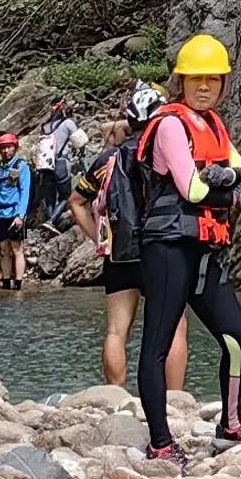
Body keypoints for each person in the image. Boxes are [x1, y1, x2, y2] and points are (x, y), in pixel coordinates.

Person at [130, 35, 241, 460]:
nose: (203, 87)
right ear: (181, 82)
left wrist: (228, 181)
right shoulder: (171, 123)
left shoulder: (216, 126)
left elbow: (240, 169)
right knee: (158, 344)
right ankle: (160, 443)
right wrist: (229, 192)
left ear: (223, 84)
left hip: (205, 250)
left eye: (212, 79)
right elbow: (190, 188)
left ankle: (231, 422)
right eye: (195, 79)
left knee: (239, 337)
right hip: (168, 246)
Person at [86, 97, 178, 395]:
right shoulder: (167, 153)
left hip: (119, 252)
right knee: (174, 327)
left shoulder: (106, 159)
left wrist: (99, 238)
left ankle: (115, 395)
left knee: (116, 329)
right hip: (160, 247)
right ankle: (176, 399)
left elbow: (75, 201)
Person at [0, 135, 34, 290]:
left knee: (17, 249)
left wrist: (21, 215)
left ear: (15, 148)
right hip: (0, 213)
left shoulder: (21, 167)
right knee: (3, 249)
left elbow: (25, 193)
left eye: (9, 147)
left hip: (14, 213)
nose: (5, 151)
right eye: (3, 148)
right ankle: (5, 282)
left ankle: (17, 284)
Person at [30, 100, 87, 232]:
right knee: (65, 196)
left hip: (45, 166)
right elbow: (80, 141)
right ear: (62, 110)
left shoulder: (45, 126)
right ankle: (51, 221)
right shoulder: (67, 123)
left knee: (50, 198)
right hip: (61, 163)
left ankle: (50, 223)